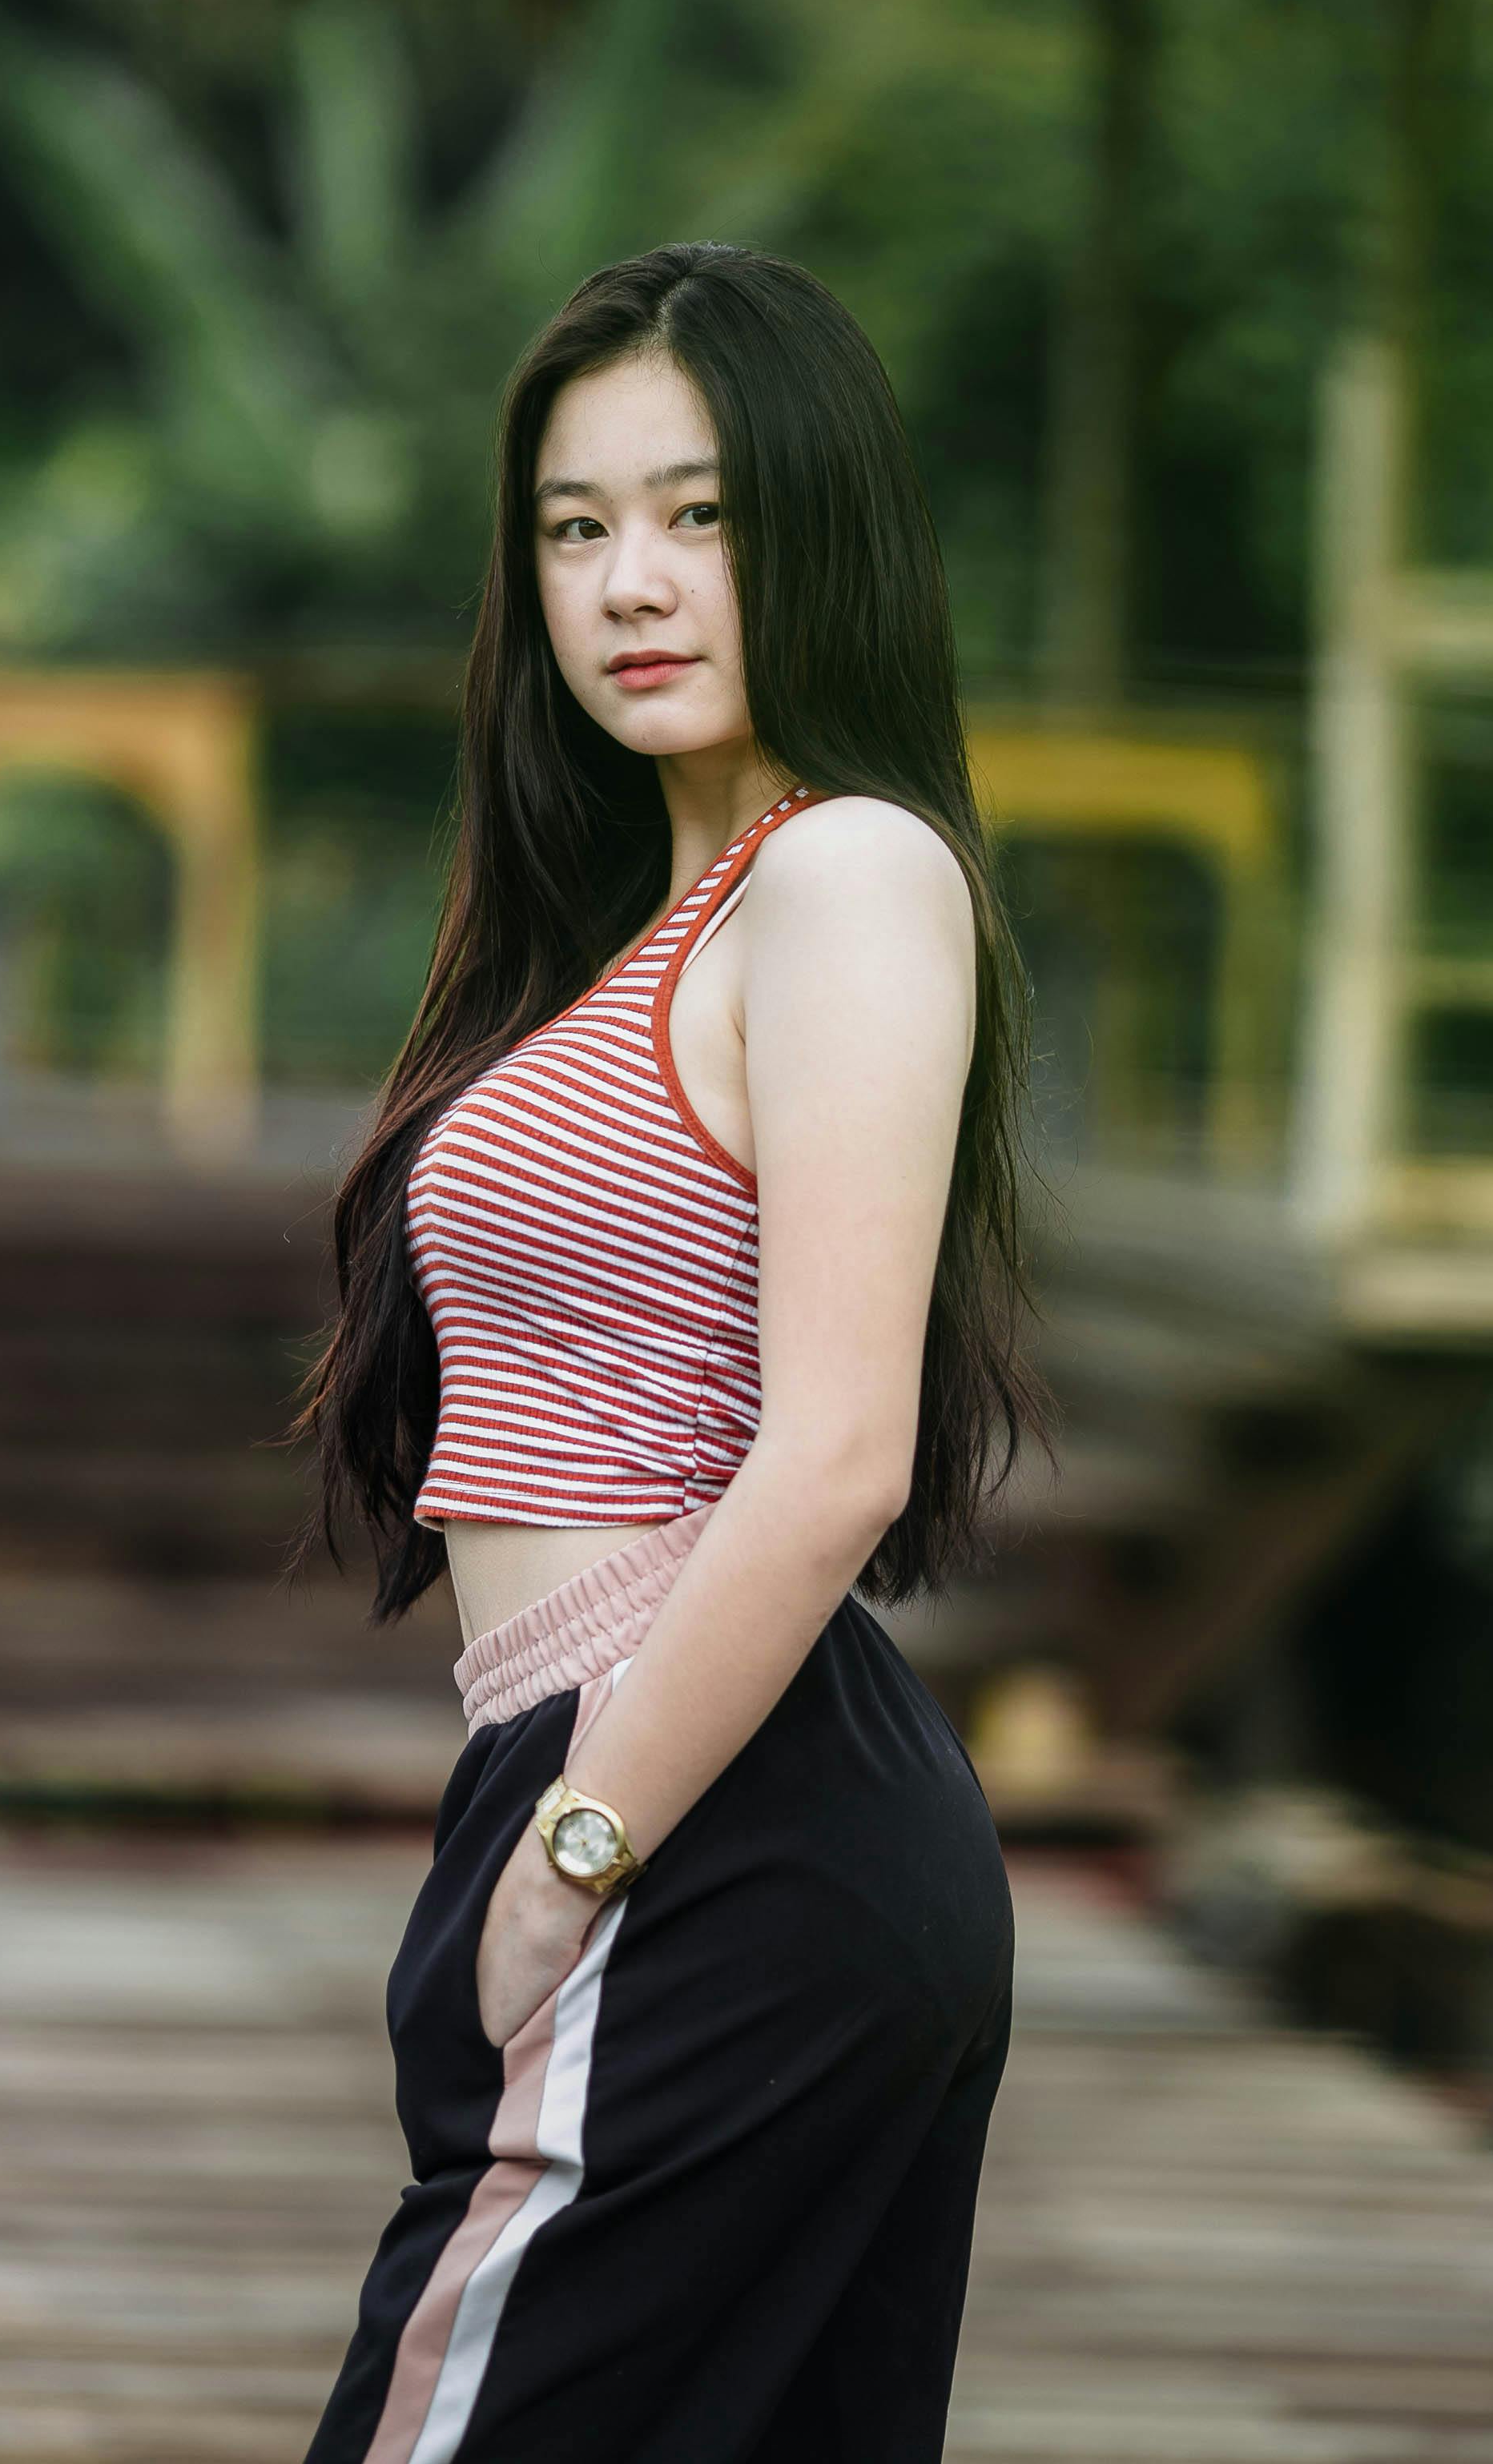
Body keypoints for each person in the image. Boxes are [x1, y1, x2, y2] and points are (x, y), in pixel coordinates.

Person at [300, 242, 1043, 2464]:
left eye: (700, 513)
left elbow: (833, 1459)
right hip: (667, 1801)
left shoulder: (845, 882)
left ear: (817, 526)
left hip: (705, 1817)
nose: (632, 580)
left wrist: (574, 1856)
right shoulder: (656, 926)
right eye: (574, 524)